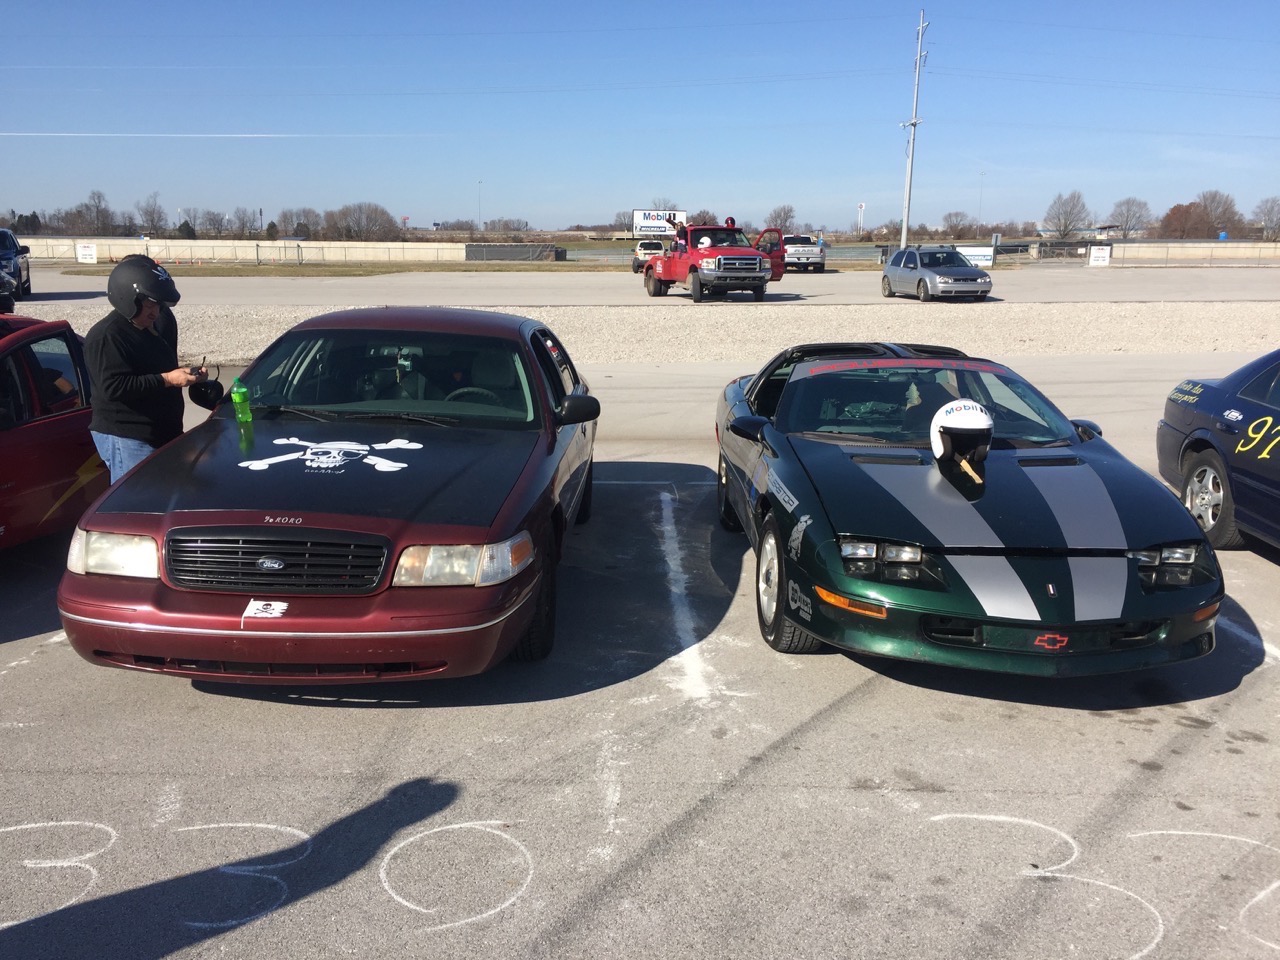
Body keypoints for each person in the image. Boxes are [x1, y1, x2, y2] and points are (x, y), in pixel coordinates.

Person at [84, 256, 205, 483]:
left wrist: (186, 375)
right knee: (135, 501)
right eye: (150, 305)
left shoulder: (156, 324)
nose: (155, 313)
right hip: (128, 436)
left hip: (161, 432)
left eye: (159, 306)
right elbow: (113, 387)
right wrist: (168, 379)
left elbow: (159, 369)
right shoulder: (107, 336)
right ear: (129, 300)